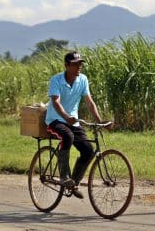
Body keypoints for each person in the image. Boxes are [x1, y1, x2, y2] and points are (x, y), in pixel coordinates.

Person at [45, 51, 102, 199]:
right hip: (55, 120)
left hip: (73, 121)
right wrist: (65, 117)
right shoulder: (56, 80)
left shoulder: (82, 80)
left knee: (88, 150)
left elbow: (89, 102)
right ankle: (64, 176)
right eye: (75, 64)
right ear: (66, 65)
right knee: (67, 136)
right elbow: (55, 102)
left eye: (80, 64)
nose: (79, 67)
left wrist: (99, 121)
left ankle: (73, 183)